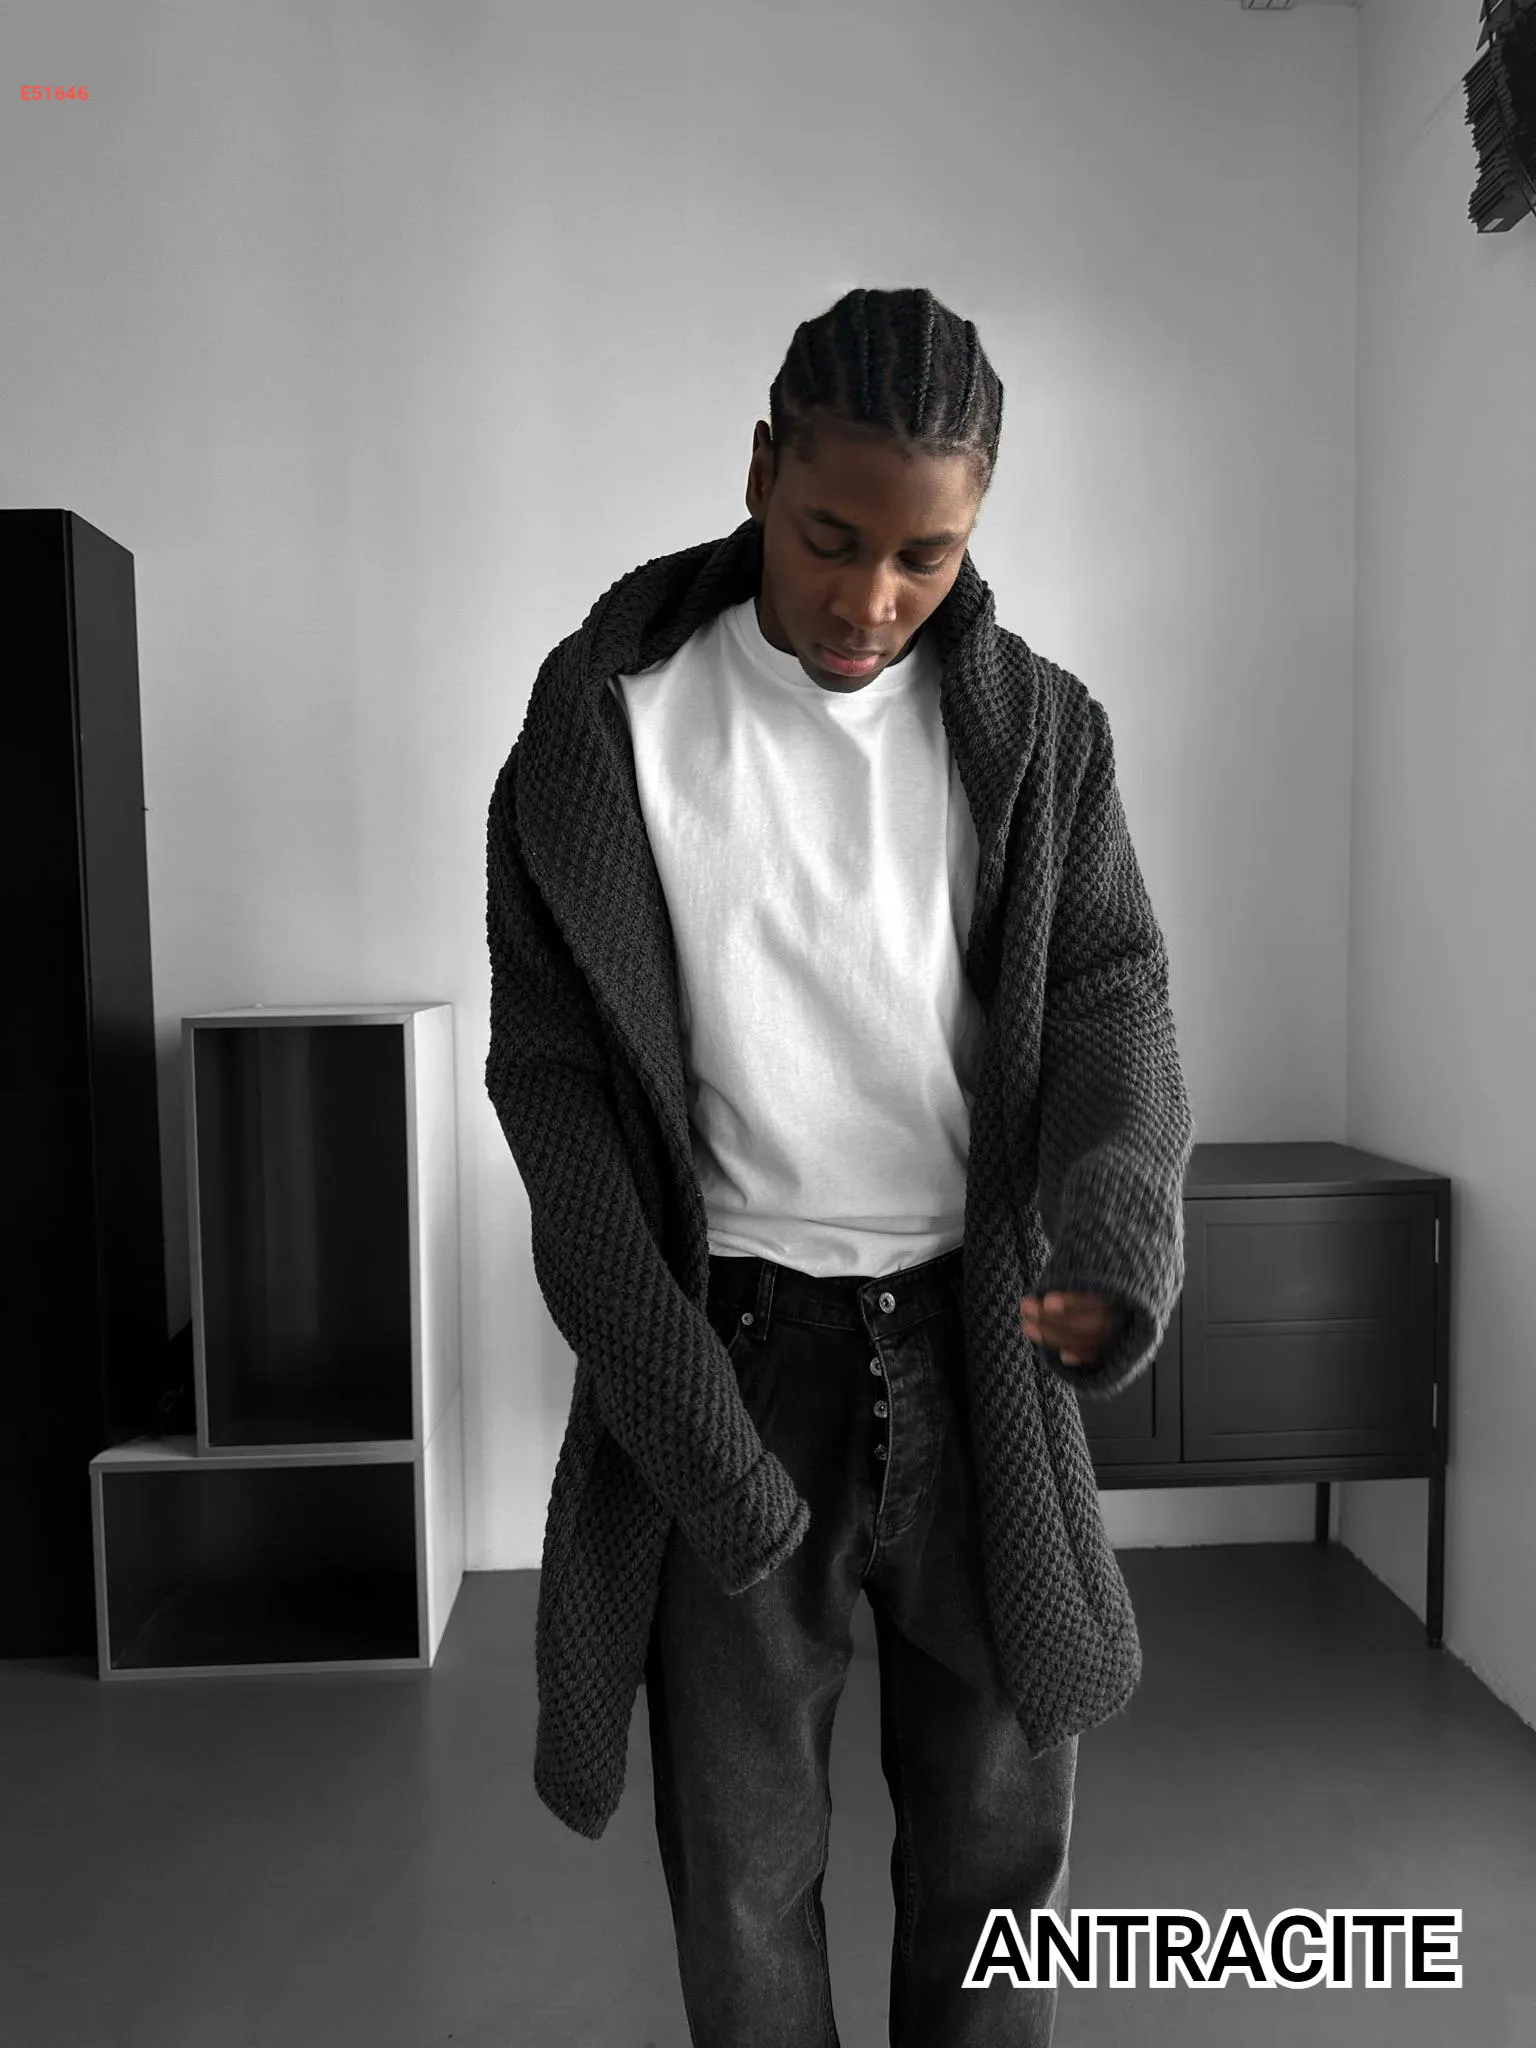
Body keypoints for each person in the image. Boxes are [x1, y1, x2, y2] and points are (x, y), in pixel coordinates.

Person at [483, 285, 1195, 2047]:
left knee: (998, 1869)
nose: (873, 599)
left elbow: (1111, 993)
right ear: (760, 470)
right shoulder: (604, 723)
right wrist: (681, 1415)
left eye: (925, 557)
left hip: (978, 1357)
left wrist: (1114, 1230)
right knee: (744, 1884)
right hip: (730, 1358)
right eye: (831, 538)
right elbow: (556, 1093)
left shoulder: (1041, 735)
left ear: (976, 529)